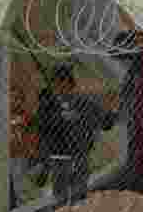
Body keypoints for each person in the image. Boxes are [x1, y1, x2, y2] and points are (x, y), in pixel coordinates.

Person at [37, 64, 117, 203]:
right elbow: (42, 126)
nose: (60, 88)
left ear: (70, 83)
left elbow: (106, 124)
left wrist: (110, 110)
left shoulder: (85, 103)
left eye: (64, 83)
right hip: (59, 158)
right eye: (57, 83)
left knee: (78, 197)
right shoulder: (48, 104)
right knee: (61, 199)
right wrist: (61, 118)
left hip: (79, 157)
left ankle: (73, 211)